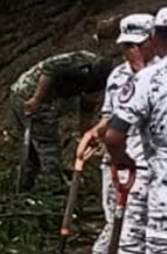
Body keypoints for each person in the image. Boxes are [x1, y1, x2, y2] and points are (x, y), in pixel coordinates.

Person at [65, 15, 154, 254]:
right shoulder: (117, 76)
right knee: (115, 222)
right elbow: (109, 117)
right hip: (117, 161)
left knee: (134, 227)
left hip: (149, 163)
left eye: (136, 45)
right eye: (127, 46)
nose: (131, 52)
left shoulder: (160, 75)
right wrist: (92, 134)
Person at [102, 10, 167, 254]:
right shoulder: (126, 78)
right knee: (134, 245)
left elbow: (114, 134)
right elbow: (108, 124)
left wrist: (120, 156)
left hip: (158, 185)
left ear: (155, 39)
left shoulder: (150, 80)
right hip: (146, 178)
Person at [10, 51, 113, 193]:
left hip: (50, 97)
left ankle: (26, 184)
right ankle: (54, 185)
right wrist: (36, 99)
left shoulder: (98, 79)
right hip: (29, 93)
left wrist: (86, 134)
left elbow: (87, 106)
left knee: (35, 147)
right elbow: (49, 70)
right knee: (47, 143)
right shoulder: (78, 63)